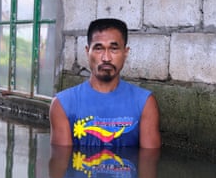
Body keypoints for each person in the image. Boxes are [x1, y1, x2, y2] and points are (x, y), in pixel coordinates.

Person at [49, 18, 162, 148]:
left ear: (125, 53)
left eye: (114, 49)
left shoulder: (145, 103)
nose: (106, 58)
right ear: (87, 52)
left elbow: (149, 163)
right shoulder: (62, 104)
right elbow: (61, 162)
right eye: (98, 49)